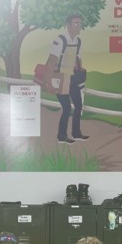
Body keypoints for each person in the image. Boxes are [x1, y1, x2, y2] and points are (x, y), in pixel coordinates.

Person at [44, 13, 89, 145]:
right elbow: (51, 61)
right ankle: (61, 136)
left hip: (72, 78)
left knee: (79, 106)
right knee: (67, 108)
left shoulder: (78, 41)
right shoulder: (60, 40)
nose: (79, 26)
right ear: (68, 25)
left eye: (80, 23)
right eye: (76, 23)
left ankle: (76, 133)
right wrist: (49, 82)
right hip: (60, 78)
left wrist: (80, 73)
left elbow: (78, 59)